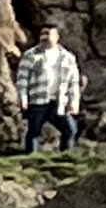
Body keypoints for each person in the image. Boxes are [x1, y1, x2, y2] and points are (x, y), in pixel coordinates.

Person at [13, 21, 85, 151]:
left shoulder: (67, 57)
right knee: (34, 132)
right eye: (42, 34)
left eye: (48, 34)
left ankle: (65, 157)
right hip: (38, 101)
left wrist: (73, 102)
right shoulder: (30, 55)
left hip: (59, 101)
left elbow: (73, 82)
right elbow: (22, 79)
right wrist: (22, 98)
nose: (45, 37)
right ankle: (31, 159)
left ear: (57, 37)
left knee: (70, 129)